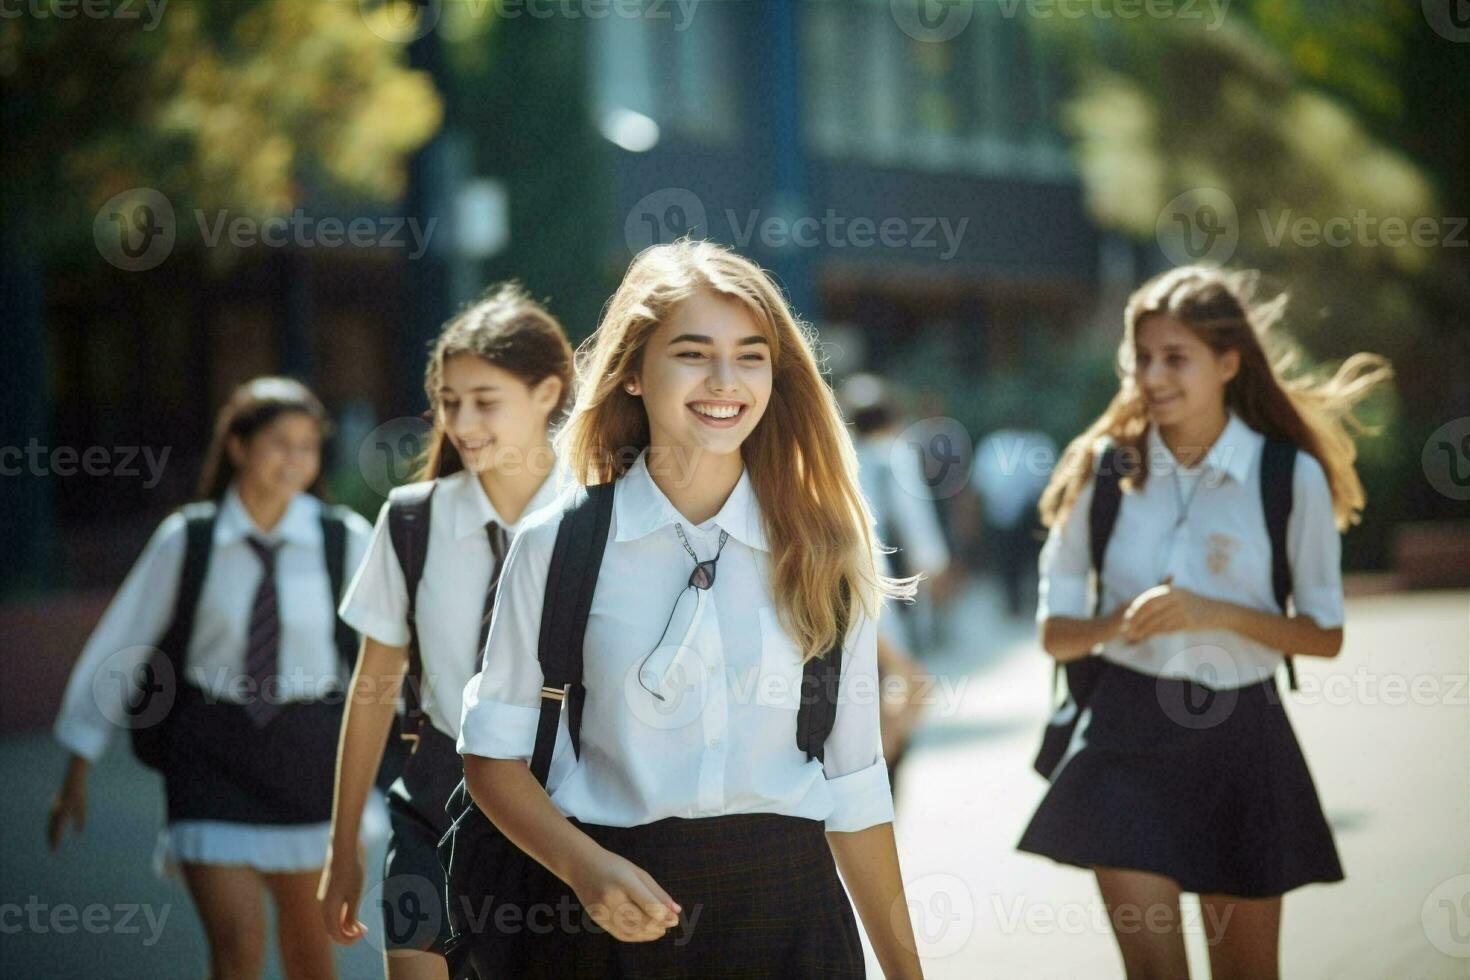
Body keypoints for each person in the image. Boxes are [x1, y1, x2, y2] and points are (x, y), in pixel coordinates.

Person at [457, 240, 925, 977]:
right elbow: (491, 757)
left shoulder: (826, 548)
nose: (725, 381)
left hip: (794, 926)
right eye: (693, 353)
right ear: (635, 374)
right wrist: (586, 870)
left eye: (750, 355)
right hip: (610, 924)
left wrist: (907, 971)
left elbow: (856, 787)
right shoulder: (558, 544)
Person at [1017, 266, 1392, 980]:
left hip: (1243, 739)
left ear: (1228, 362)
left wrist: (1213, 612)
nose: (1153, 376)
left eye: (1175, 357)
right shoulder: (1103, 472)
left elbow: (1325, 635)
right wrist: (1115, 624)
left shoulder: (1289, 478)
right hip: (1122, 736)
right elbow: (1053, 633)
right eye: (1143, 357)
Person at [48, 376, 373, 980]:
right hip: (210, 757)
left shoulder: (343, 539)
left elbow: (385, 658)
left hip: (308, 759)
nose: (295, 459)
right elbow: (121, 643)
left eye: (307, 446)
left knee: (309, 950)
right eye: (280, 442)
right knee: (237, 942)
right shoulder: (189, 537)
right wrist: (78, 762)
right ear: (238, 447)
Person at [318, 284, 573, 980]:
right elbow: (371, 690)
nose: (462, 422)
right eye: (449, 401)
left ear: (547, 393)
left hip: (560, 817)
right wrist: (345, 848)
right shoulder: (411, 520)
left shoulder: (597, 518)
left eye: (485, 401)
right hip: (430, 804)